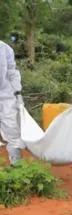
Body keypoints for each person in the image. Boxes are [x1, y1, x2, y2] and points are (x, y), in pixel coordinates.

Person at [0, 38, 22, 167]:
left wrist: (17, 91)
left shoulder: (4, 48)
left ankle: (17, 166)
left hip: (5, 94)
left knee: (12, 130)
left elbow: (12, 71)